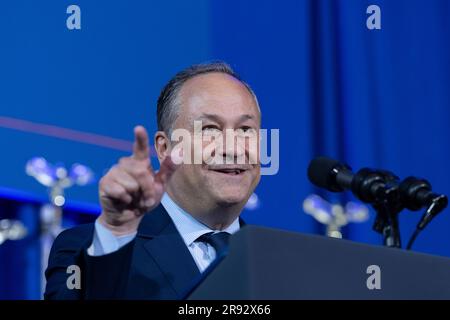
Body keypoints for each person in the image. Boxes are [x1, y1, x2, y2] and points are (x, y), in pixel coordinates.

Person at [44, 62, 261, 299]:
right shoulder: (87, 249)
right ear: (165, 148)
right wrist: (116, 235)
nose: (232, 147)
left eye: (245, 130)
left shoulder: (280, 261)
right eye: (210, 128)